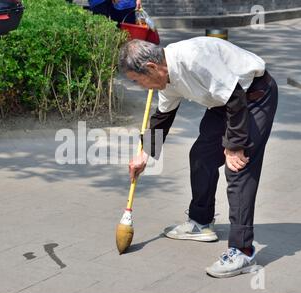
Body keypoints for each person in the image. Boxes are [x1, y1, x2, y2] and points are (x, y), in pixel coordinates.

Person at [118, 38, 278, 278]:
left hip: (252, 96)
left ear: (151, 67)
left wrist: (234, 146)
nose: (142, 87)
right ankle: (200, 223)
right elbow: (163, 116)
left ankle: (242, 250)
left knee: (238, 168)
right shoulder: (165, 77)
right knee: (201, 155)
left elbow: (235, 97)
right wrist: (144, 153)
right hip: (224, 102)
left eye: (137, 81)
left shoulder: (192, 58)